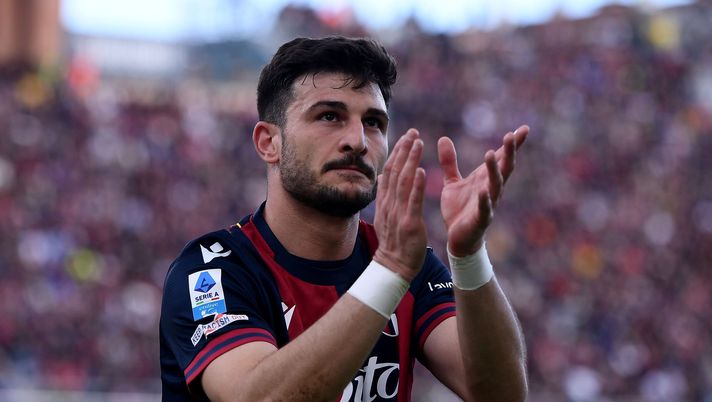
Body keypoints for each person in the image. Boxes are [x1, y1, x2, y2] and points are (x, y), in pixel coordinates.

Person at [159, 36, 528, 402]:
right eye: (329, 116)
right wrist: (389, 271)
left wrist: (469, 255)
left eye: (373, 122)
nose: (357, 140)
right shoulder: (212, 271)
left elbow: (502, 395)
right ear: (269, 142)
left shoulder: (406, 265)